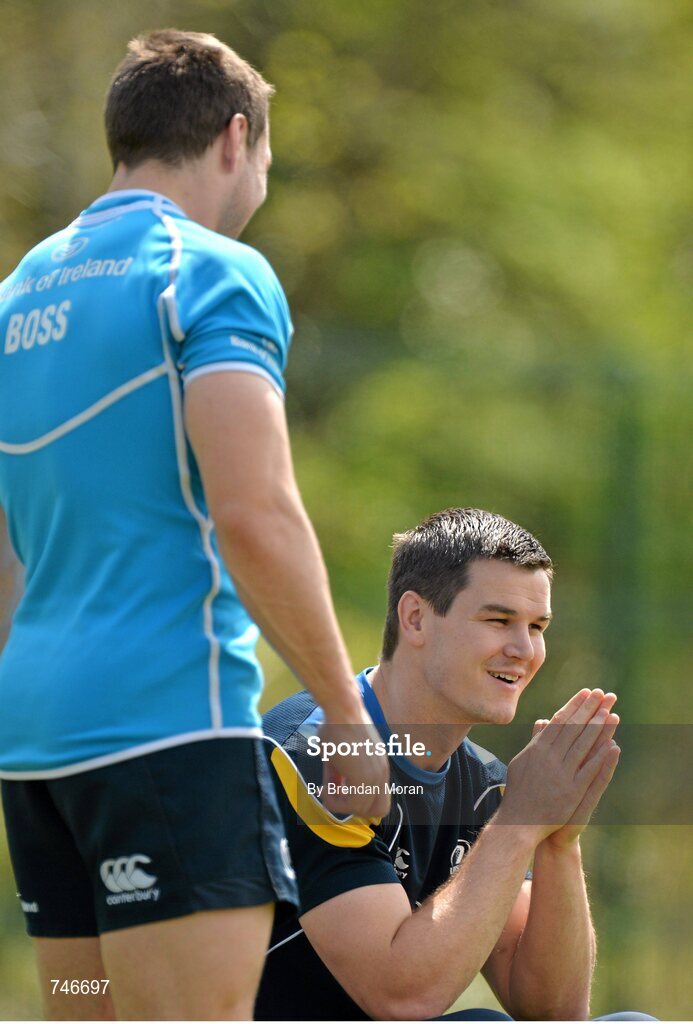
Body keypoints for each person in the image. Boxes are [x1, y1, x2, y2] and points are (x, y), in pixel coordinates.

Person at [0, 29, 389, 1021]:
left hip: (40, 752)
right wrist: (348, 720)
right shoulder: (210, 270)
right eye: (264, 156)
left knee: (92, 1011)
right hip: (167, 734)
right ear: (233, 138)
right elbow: (254, 513)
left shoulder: (15, 297)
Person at [256, 507, 657, 1021]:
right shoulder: (318, 754)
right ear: (416, 617)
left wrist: (558, 837)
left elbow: (554, 1011)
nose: (524, 650)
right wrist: (517, 826)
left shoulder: (483, 784)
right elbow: (400, 997)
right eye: (498, 620)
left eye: (537, 626)